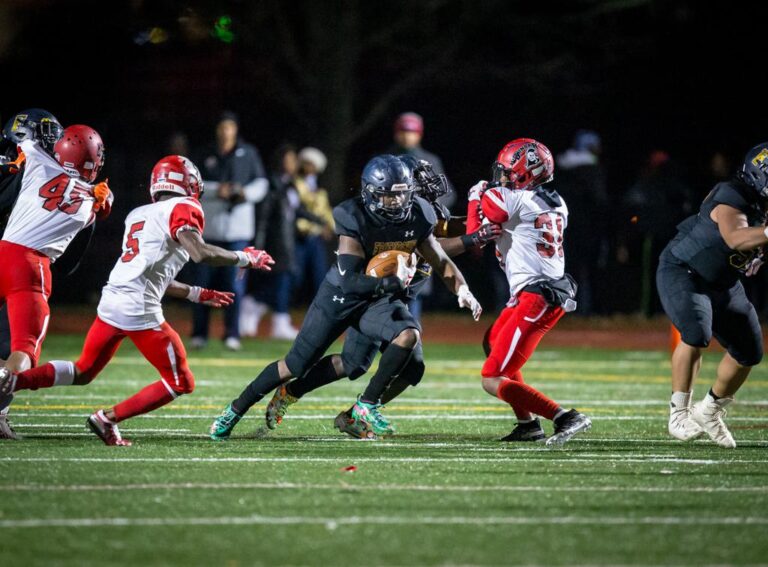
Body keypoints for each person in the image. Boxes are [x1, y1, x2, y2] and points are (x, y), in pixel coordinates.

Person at [0, 156, 274, 446]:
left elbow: (154, 273)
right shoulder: (185, 207)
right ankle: (107, 418)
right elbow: (200, 252)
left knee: (83, 371)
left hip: (113, 298)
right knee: (181, 382)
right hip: (137, 307)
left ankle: (12, 380)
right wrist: (246, 257)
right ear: (190, 183)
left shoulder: (139, 214)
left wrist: (196, 293)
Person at [210, 154, 482, 440]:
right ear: (371, 193)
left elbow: (439, 257)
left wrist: (462, 288)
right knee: (295, 365)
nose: (397, 202)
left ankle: (364, 407)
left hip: (380, 298)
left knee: (406, 345)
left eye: (402, 195)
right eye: (390, 196)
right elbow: (349, 280)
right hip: (342, 296)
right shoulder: (353, 215)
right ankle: (235, 410)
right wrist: (391, 281)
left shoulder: (420, 213)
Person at [466, 138, 591, 446]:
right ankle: (527, 425)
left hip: (537, 296)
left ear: (526, 172)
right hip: (539, 291)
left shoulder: (511, 200)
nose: (504, 177)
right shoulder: (557, 201)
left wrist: (474, 198)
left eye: (509, 172)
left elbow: (474, 237)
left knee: (492, 377)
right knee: (493, 341)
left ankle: (564, 417)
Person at [0, 124, 111, 440]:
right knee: (22, 354)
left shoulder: (36, 159)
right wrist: (98, 199)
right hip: (32, 268)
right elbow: (98, 206)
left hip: (3, 252)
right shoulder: (92, 201)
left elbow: (21, 139)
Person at [658, 142, 768, 448]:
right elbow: (735, 238)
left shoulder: (762, 202)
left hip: (722, 281)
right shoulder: (731, 194)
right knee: (695, 332)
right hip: (685, 270)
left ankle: (709, 410)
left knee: (749, 352)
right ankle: (678, 412)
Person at [0, 108, 65, 439]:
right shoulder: (23, 169)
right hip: (14, 262)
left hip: (12, 262)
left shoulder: (38, 171)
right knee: (18, 346)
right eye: (47, 138)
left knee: (10, 342)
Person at [191, 111, 269, 351]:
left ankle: (232, 334)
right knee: (202, 285)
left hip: (238, 233)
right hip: (207, 232)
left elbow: (262, 184)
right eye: (222, 127)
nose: (226, 132)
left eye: (230, 128)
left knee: (235, 287)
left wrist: (242, 192)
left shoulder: (249, 154)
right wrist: (217, 190)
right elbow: (193, 184)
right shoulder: (204, 153)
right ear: (217, 130)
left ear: (235, 130)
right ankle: (199, 334)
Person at [556, 130, 608, 315]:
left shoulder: (561, 168)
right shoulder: (593, 170)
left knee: (568, 268)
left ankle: (568, 309)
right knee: (592, 270)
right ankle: (589, 310)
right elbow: (599, 200)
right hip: (589, 227)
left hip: (562, 226)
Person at [292, 147, 334, 299]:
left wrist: (329, 225)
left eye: (312, 164)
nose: (308, 167)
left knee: (320, 276)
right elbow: (299, 209)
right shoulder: (295, 183)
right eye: (306, 163)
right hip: (299, 235)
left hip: (316, 237)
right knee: (295, 277)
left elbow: (325, 209)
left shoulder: (319, 186)